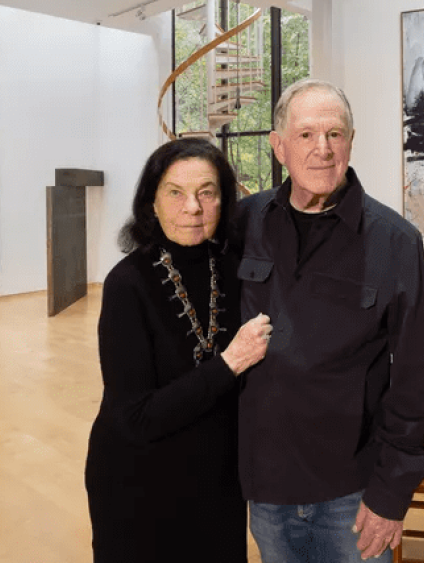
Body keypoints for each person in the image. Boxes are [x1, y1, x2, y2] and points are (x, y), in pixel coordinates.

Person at [236, 80, 424, 562]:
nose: (322, 150)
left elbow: (414, 380)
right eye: (305, 135)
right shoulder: (243, 223)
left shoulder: (395, 240)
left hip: (353, 491)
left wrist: (390, 495)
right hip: (265, 485)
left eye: (335, 134)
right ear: (279, 145)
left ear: (351, 140)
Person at [85, 138, 273, 562]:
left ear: (224, 200)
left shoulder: (232, 268)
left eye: (207, 192)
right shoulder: (126, 284)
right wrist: (230, 363)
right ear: (151, 201)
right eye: (176, 192)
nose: (193, 207)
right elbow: (135, 417)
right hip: (139, 483)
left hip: (216, 481)